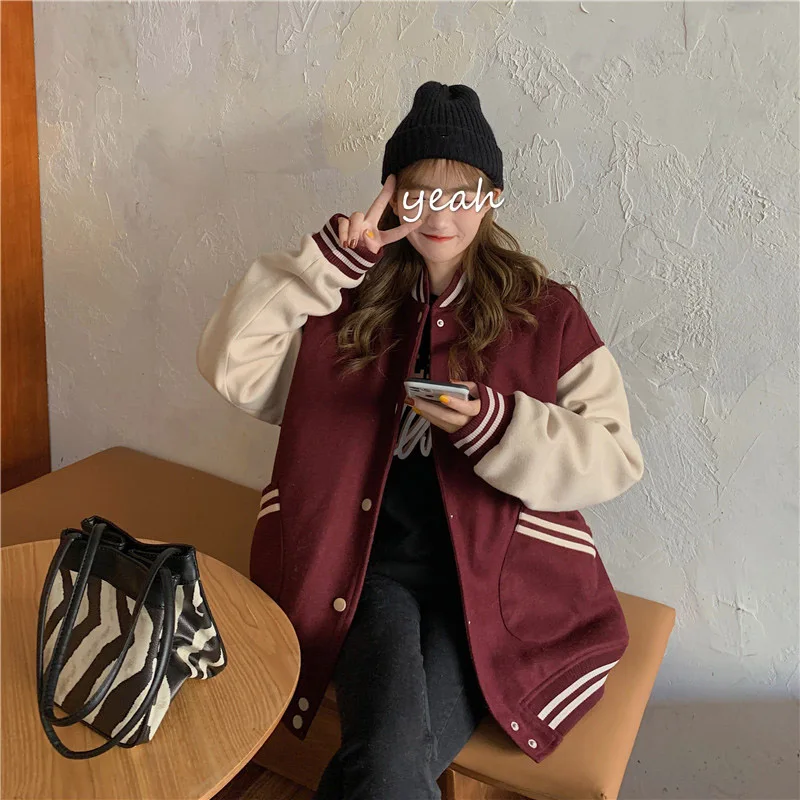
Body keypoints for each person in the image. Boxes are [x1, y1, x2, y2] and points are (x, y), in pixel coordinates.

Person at [196, 81, 644, 799]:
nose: (440, 215)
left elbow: (615, 456)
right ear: (393, 197)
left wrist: (500, 425)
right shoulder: (344, 300)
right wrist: (325, 266)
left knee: (386, 768)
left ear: (491, 198)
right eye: (420, 193)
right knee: (390, 764)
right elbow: (230, 365)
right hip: (363, 574)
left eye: (461, 194)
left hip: (492, 586)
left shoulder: (546, 313)